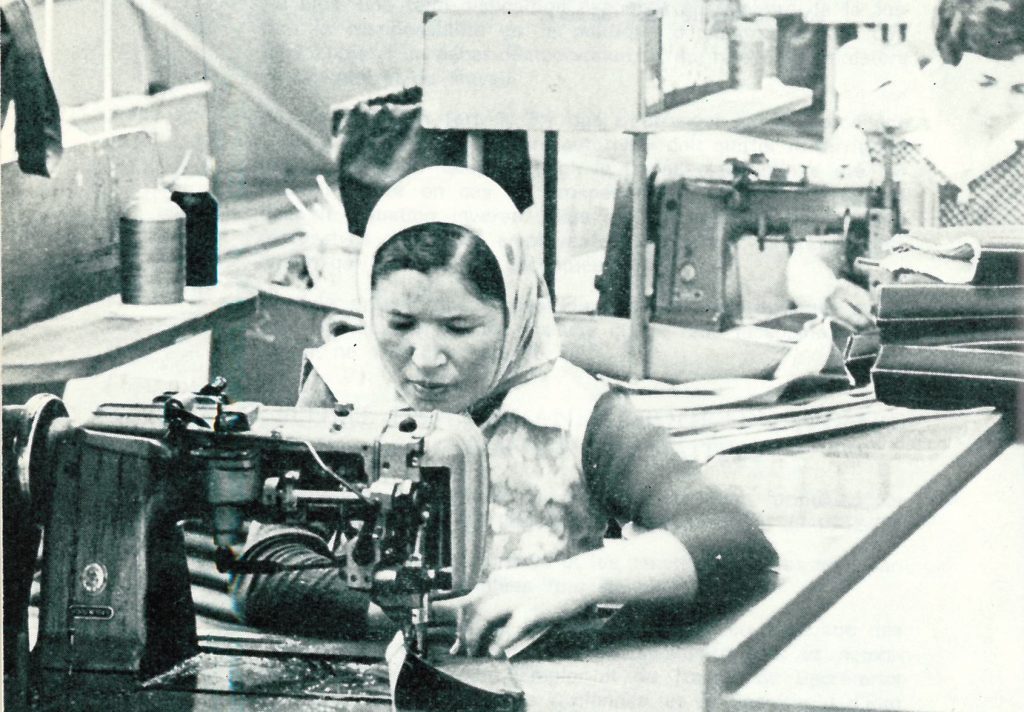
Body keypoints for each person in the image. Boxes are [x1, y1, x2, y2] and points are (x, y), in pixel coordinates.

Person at [231, 166, 777, 657]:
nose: (425, 357)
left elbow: (731, 538)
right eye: (399, 324)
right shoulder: (345, 386)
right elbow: (265, 570)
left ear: (515, 311)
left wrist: (572, 582)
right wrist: (410, 614)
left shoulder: (572, 414)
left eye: (459, 328)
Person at [789, 0, 1024, 330]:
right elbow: (809, 259)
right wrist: (825, 292)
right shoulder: (873, 132)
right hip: (881, 337)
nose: (998, 107)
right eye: (985, 82)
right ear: (945, 62)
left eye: (1020, 89)